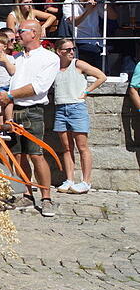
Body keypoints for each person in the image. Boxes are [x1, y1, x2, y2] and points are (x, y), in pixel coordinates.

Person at [0, 20, 60, 217]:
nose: (17, 34)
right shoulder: (18, 58)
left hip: (33, 110)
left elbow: (38, 87)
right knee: (18, 155)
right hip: (14, 109)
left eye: (20, 31)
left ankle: (46, 198)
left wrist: (9, 95)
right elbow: (11, 83)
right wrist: (1, 95)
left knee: (36, 154)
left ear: (34, 33)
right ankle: (27, 194)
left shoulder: (49, 58)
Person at [52, 38, 106, 194]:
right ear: (59, 51)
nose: (71, 52)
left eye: (73, 49)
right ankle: (69, 179)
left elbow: (101, 76)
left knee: (82, 147)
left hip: (76, 107)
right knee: (66, 147)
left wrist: (86, 92)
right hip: (60, 107)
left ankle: (86, 181)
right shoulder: (54, 67)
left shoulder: (78, 64)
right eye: (67, 49)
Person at [62, 0, 118, 69]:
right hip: (80, 42)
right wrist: (88, 11)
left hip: (98, 43)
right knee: (95, 54)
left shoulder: (95, 1)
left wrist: (101, 0)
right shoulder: (70, 2)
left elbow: (113, 16)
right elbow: (74, 22)